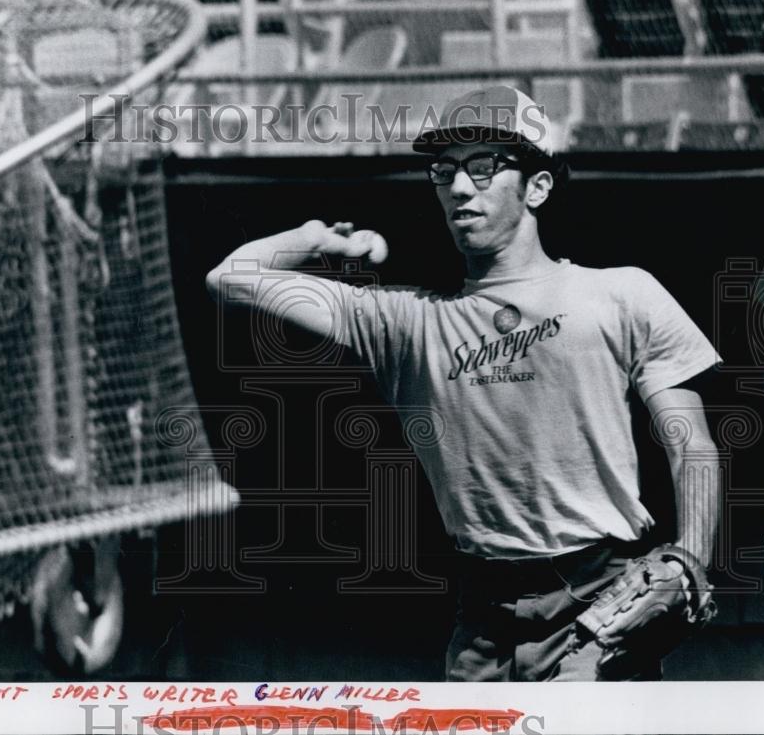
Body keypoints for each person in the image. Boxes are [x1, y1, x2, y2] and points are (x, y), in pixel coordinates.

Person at [205, 85, 721, 681]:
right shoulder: (405, 320)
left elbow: (693, 442)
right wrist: (316, 237)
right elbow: (230, 277)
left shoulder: (623, 292)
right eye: (444, 169)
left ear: (538, 187)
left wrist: (692, 557)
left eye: (484, 166)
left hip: (601, 598)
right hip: (483, 619)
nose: (458, 186)